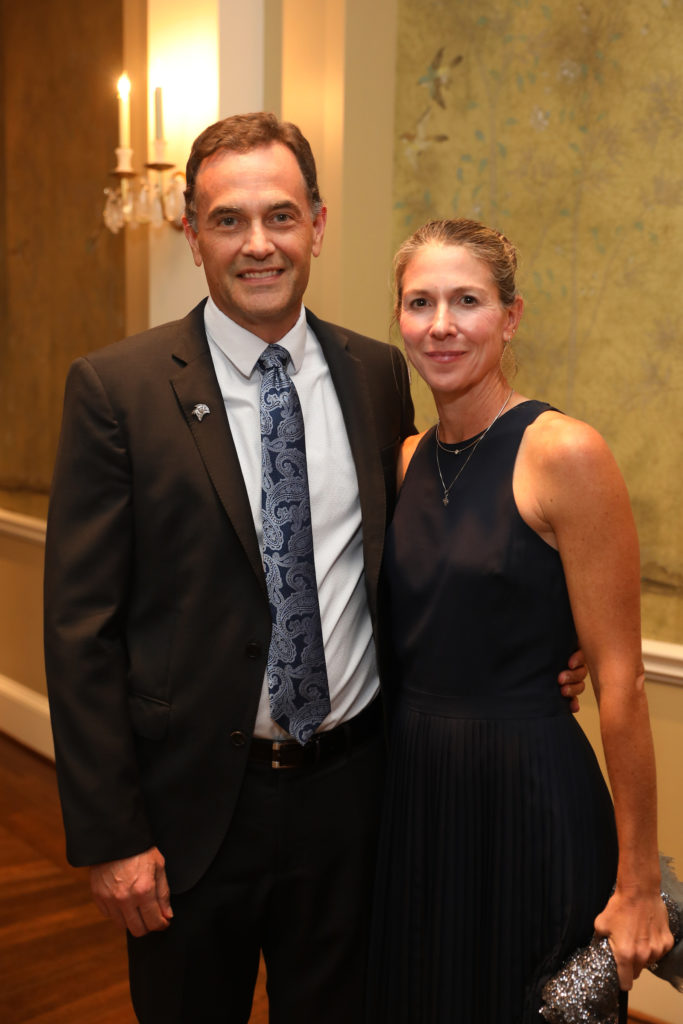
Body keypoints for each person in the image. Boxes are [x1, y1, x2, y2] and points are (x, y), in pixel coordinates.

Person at [43, 116, 586, 1024]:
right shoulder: (118, 389)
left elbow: (432, 549)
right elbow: (79, 629)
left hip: (355, 801)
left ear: (319, 227)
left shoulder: (378, 373)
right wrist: (113, 838)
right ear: (193, 235)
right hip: (189, 818)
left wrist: (542, 652)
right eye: (228, 220)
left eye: (281, 216)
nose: (258, 244)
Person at [366, 218, 674, 1024]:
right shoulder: (403, 458)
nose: (440, 324)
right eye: (419, 302)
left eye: (466, 300)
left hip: (530, 796)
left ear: (510, 315)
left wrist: (638, 884)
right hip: (416, 794)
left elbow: (619, 679)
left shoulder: (564, 452)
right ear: (397, 318)